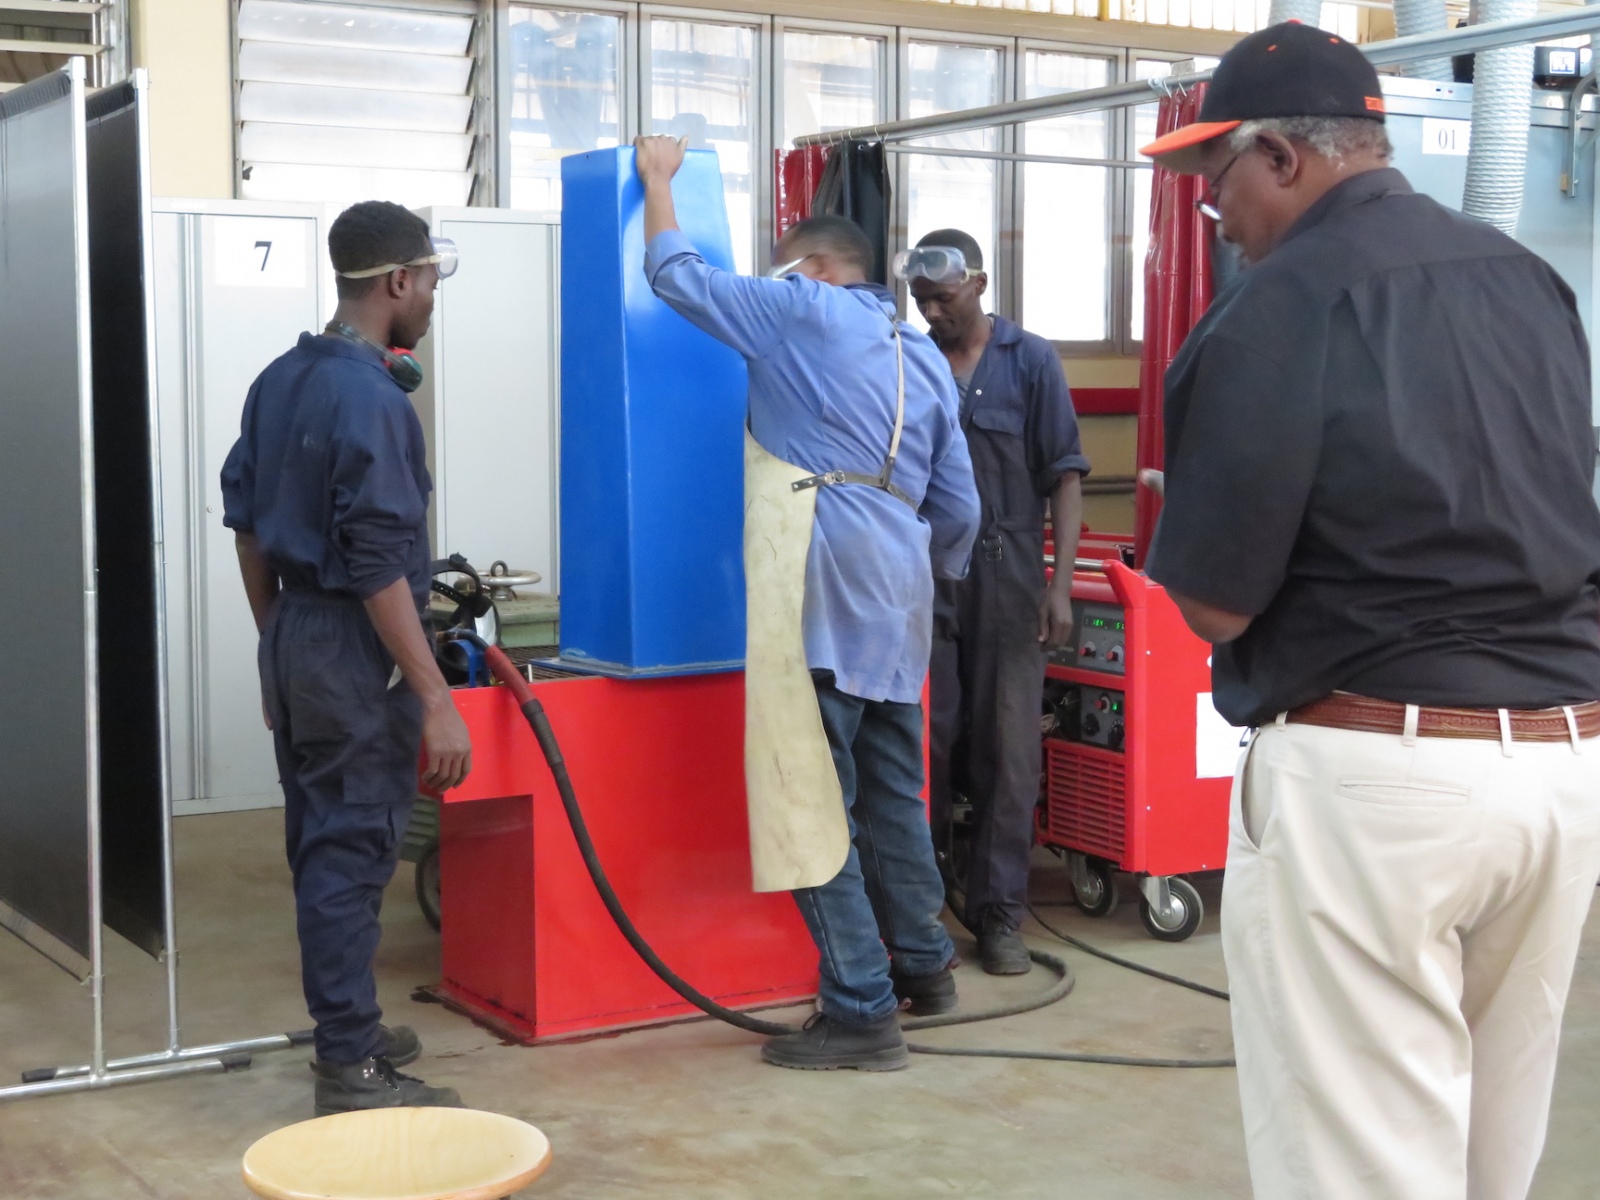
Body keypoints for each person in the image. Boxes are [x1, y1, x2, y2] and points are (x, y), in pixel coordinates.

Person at [1139, 24, 1600, 1200]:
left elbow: (1215, 606)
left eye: (1216, 179)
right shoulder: (1531, 284)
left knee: (1361, 1159)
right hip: (1562, 767)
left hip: (1377, 781)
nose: (1214, 215)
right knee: (1494, 1137)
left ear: (1282, 156)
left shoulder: (1275, 308)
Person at [633, 134, 981, 1071]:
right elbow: (961, 510)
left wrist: (658, 181)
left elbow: (675, 276)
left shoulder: (800, 309)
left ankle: (861, 1007)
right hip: (900, 600)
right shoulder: (923, 358)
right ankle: (926, 967)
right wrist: (915, 575)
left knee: (806, 796)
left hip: (822, 589)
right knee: (894, 796)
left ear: (817, 269)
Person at [221, 200, 472, 1117]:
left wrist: (275, 647)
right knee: (354, 848)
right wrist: (434, 694)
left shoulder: (279, 379)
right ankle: (349, 1064)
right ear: (399, 281)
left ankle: (350, 1023)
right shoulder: (372, 400)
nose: (433, 297)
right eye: (431, 279)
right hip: (356, 645)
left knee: (321, 840)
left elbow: (247, 527)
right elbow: (376, 566)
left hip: (297, 630)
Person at [906, 229, 1089, 975]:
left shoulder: (1031, 360)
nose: (931, 314)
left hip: (1009, 574)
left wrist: (1059, 585)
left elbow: (1065, 476)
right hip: (924, 576)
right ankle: (920, 917)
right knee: (925, 744)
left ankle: (999, 915)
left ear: (979, 284)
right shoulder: (910, 361)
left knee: (1009, 750)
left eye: (942, 299)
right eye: (920, 301)